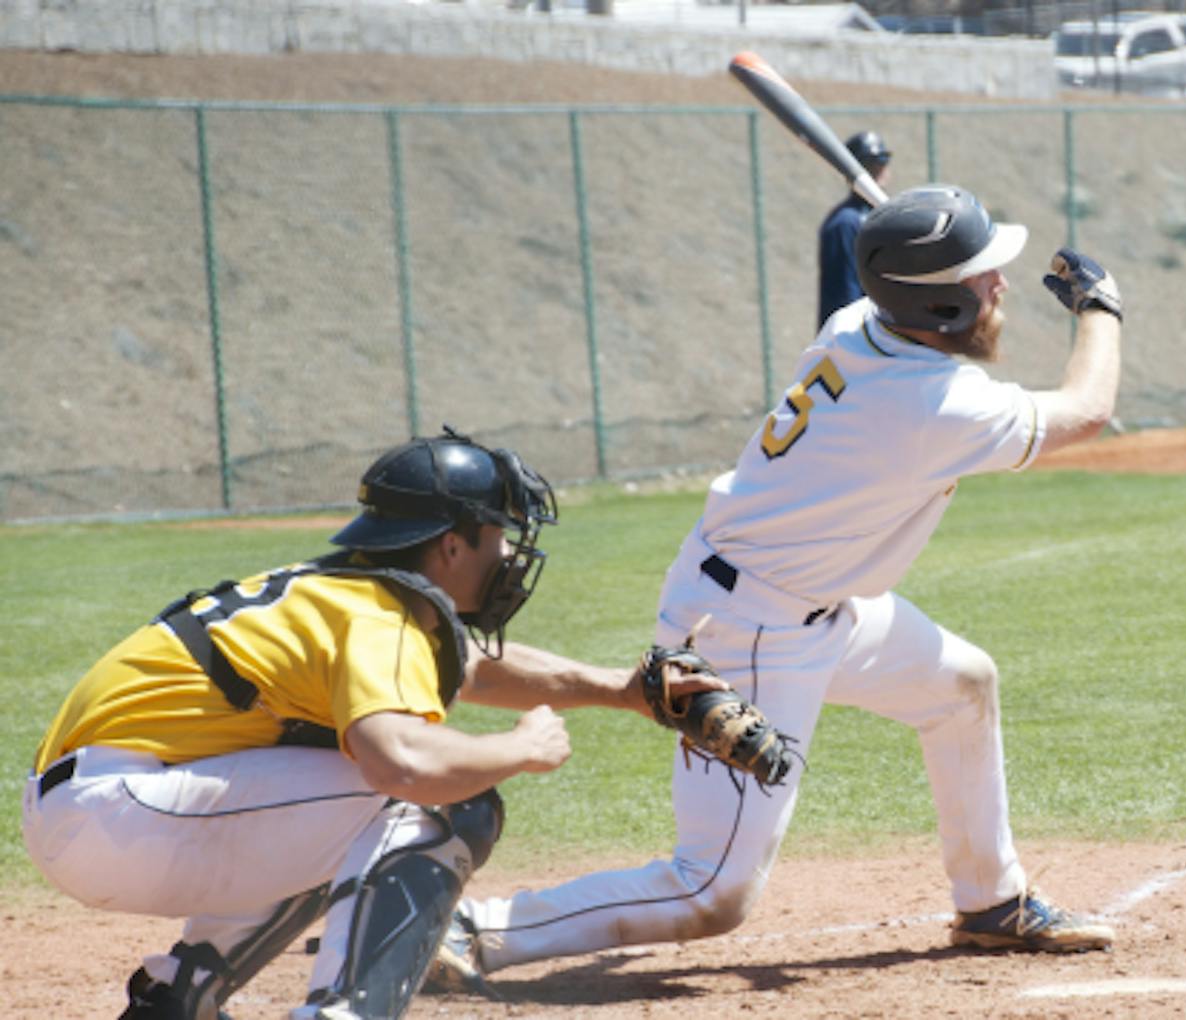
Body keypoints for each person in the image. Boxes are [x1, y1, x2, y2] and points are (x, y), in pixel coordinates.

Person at [429, 184, 1127, 990]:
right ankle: (461, 928)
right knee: (713, 890)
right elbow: (1088, 408)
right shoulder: (939, 404)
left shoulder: (859, 326)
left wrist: (933, 267)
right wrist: (1099, 306)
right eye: (980, 276)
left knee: (961, 683)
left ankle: (991, 901)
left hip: (814, 603)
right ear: (932, 304)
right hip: (749, 628)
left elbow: (934, 328)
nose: (998, 285)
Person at [21, 429, 722, 1019]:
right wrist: (518, 748)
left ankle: (177, 1001)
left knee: (347, 812)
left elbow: (470, 670)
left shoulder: (347, 594)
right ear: (450, 545)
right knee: (437, 799)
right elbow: (401, 765)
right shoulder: (378, 619)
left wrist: (627, 692)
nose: (507, 555)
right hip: (124, 813)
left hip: (106, 807)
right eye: (496, 535)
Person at [816, 130, 893, 329]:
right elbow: (843, 296)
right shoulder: (845, 223)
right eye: (869, 164)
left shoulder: (884, 217)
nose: (878, 168)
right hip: (851, 341)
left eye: (882, 160)